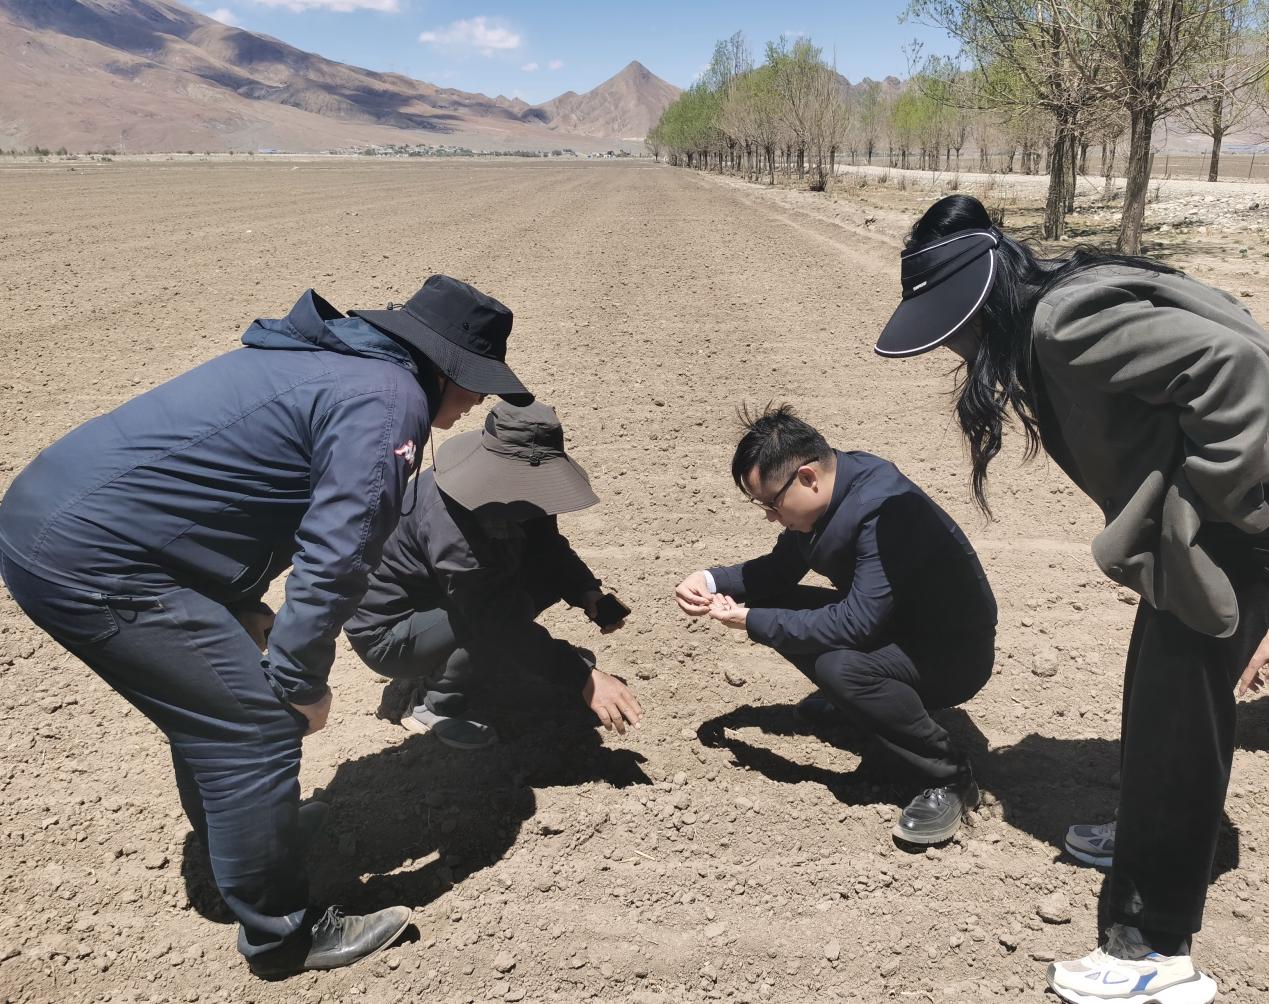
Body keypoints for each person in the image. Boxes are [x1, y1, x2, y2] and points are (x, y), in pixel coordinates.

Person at [0, 275, 532, 978]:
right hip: (92, 558)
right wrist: (298, 682)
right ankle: (284, 938)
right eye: (476, 383)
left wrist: (236, 606)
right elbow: (338, 556)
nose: (478, 402)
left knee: (215, 707)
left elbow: (221, 484)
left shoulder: (334, 358)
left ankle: (253, 835)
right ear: (443, 368)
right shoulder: (388, 400)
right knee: (253, 727)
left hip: (64, 520)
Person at [875, 193, 1269, 1004]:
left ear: (984, 299)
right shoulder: (1075, 291)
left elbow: (1239, 367)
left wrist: (1206, 505)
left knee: (1176, 732)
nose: (951, 341)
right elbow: (1229, 323)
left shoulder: (1063, 320)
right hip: (1216, 537)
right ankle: (1145, 841)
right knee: (1156, 707)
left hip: (1228, 537)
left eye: (954, 324)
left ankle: (1153, 951)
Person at [674, 404, 997, 845]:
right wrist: (709, 580)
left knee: (841, 669)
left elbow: (855, 625)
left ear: (806, 477)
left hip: (951, 655)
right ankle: (867, 706)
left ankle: (949, 777)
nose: (770, 516)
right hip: (900, 627)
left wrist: (749, 620)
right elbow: (779, 572)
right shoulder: (834, 487)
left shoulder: (882, 512)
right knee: (774, 605)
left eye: (771, 503)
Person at [345, 400, 643, 747]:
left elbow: (546, 546)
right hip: (389, 633)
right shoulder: (450, 520)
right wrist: (582, 675)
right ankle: (434, 705)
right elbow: (494, 617)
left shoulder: (522, 486)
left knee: (534, 586)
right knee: (505, 611)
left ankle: (465, 663)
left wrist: (585, 590)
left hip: (439, 598)